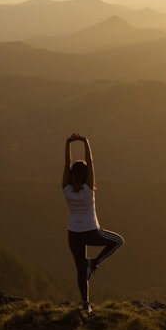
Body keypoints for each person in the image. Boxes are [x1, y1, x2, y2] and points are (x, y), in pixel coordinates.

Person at [62, 132, 124, 313]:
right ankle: (95, 263)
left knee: (80, 270)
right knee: (118, 241)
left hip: (73, 234)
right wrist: (85, 142)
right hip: (91, 232)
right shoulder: (89, 189)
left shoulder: (66, 189)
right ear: (86, 175)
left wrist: (68, 143)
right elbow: (91, 162)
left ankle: (85, 304)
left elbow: (67, 164)